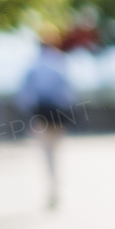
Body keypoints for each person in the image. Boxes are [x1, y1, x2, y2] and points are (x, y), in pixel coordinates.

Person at [15, 30, 78, 212]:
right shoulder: (60, 63)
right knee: (57, 152)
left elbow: (25, 95)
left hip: (41, 116)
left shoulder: (33, 65)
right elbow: (68, 93)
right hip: (58, 117)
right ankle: (57, 188)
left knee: (47, 154)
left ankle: (51, 189)